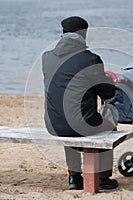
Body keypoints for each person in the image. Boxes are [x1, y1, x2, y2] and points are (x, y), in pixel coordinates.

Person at [42, 16, 118, 190]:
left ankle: (74, 178)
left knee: (67, 115)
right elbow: (108, 93)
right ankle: (103, 178)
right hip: (80, 124)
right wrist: (107, 80)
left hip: (53, 124)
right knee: (108, 126)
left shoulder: (47, 58)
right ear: (83, 35)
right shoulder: (90, 59)